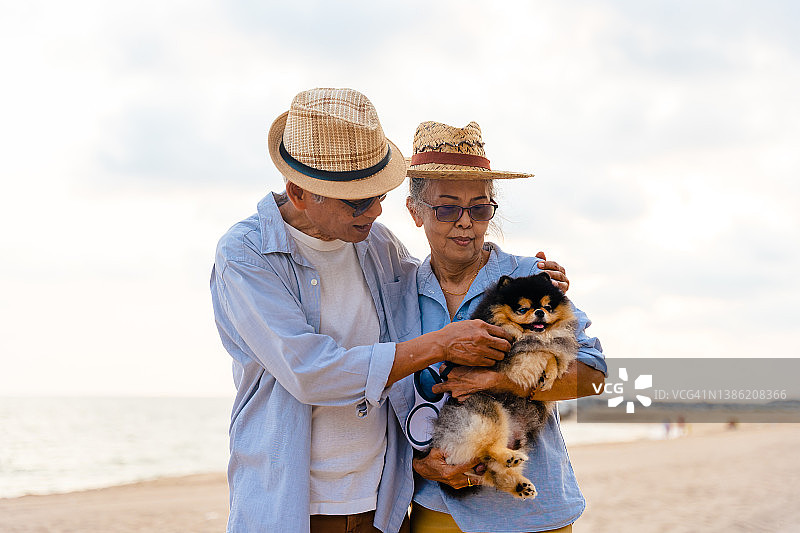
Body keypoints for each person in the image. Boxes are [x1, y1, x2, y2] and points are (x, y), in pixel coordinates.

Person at [209, 89, 519, 533]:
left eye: (380, 195)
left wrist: (526, 278)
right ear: (299, 192)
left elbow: (440, 285)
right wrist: (440, 345)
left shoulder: (377, 242)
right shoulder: (245, 254)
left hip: (383, 504)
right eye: (358, 201)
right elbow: (311, 372)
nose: (375, 211)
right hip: (294, 507)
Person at [388, 121, 607, 533]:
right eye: (447, 208)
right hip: (438, 507)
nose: (465, 222)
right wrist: (421, 464)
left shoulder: (529, 278)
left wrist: (499, 380)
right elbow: (385, 403)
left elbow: (593, 378)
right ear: (415, 212)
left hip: (533, 513)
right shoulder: (397, 295)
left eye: (480, 207)